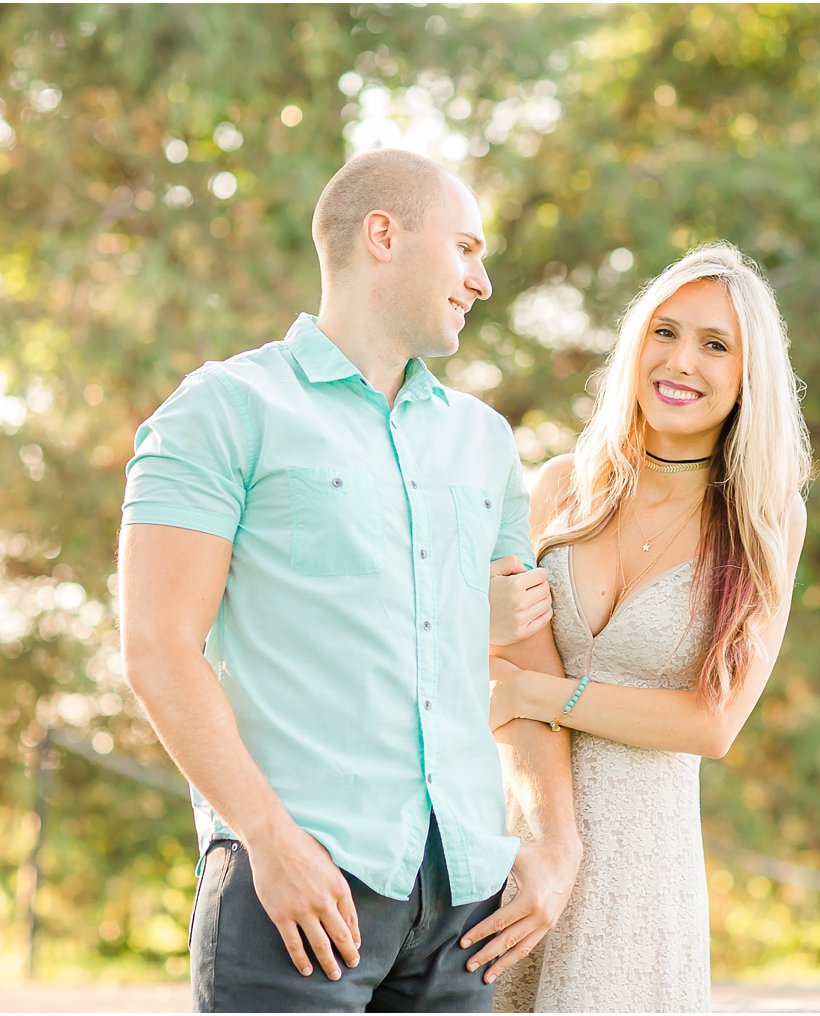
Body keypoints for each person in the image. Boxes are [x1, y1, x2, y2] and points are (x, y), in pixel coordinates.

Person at [117, 149, 581, 1013]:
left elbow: (526, 661)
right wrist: (266, 840)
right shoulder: (226, 409)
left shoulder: (484, 441)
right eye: (467, 250)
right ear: (382, 235)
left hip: (463, 910)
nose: (481, 281)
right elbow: (156, 649)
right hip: (296, 890)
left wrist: (555, 848)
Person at [485, 243, 812, 1012]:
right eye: (664, 332)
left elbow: (711, 722)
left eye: (715, 345)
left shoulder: (765, 519)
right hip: (521, 840)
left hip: (642, 870)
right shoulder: (564, 485)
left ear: (747, 374)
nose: (681, 361)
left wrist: (537, 691)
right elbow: (496, 658)